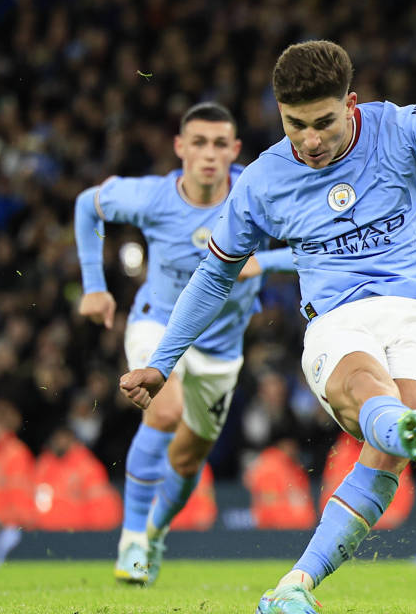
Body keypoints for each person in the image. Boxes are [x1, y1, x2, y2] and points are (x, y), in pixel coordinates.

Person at [119, 27, 416, 614]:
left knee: (395, 437)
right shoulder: (264, 181)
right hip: (338, 321)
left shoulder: (399, 128)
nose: (310, 139)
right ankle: (407, 429)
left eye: (323, 122)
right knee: (375, 395)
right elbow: (215, 275)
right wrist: (162, 363)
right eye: (295, 124)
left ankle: (293, 587)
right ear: (279, 115)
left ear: (351, 104)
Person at [74, 101, 294, 585]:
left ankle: (153, 534)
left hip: (221, 347)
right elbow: (88, 203)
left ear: (236, 150)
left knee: (190, 457)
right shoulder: (153, 198)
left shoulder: (260, 193)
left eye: (220, 144)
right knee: (165, 410)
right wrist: (94, 285)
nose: (209, 154)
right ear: (179, 148)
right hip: (157, 322)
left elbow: (318, 243)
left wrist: (269, 262)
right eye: (198, 143)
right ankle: (131, 538)